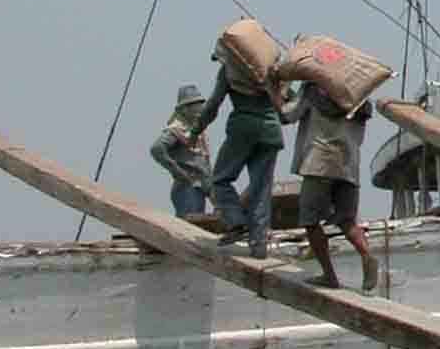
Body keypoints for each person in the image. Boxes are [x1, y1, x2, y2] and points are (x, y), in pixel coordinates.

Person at [284, 84, 379, 292]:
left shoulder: (312, 90)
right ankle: (367, 255)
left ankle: (329, 275)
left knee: (310, 220)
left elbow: (288, 115)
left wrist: (273, 92)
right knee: (347, 220)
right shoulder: (359, 96)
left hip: (319, 163)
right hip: (349, 166)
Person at [196, 42, 285, 258]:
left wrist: (194, 131)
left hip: (242, 130)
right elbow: (287, 100)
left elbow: (213, 105)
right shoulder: (270, 71)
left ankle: (236, 223)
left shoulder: (229, 71)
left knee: (219, 179)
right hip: (270, 132)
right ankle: (259, 244)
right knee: (261, 189)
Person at [149, 84, 211, 221]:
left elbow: (202, 164)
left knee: (198, 226)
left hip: (198, 187)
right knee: (190, 227)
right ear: (184, 109)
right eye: (195, 105)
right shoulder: (177, 129)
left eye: (200, 104)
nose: (200, 108)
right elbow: (157, 149)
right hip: (187, 188)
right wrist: (177, 171)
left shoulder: (195, 130)